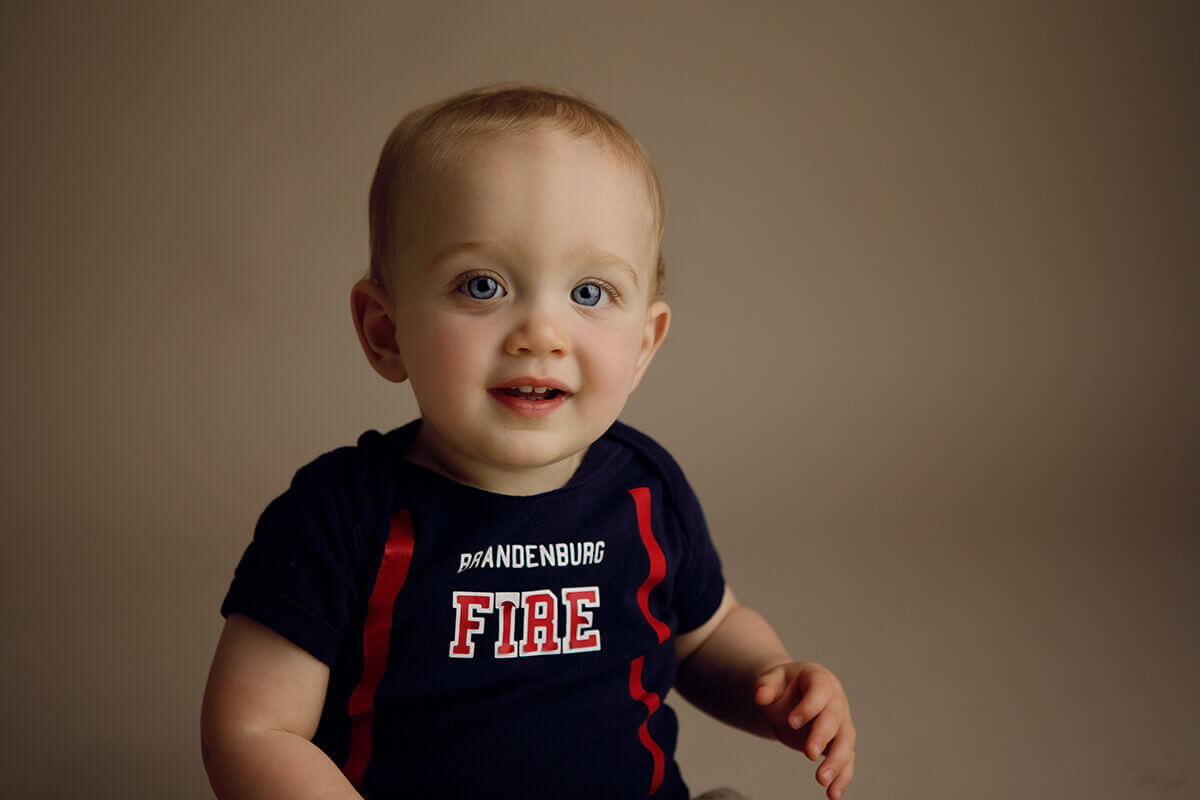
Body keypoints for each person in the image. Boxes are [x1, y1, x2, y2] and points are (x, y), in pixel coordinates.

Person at [200, 83, 856, 800]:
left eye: (588, 293)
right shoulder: (343, 514)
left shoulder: (644, 490)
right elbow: (255, 729)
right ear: (385, 331)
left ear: (643, 344)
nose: (540, 334)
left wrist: (776, 680)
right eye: (482, 286)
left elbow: (707, 630)